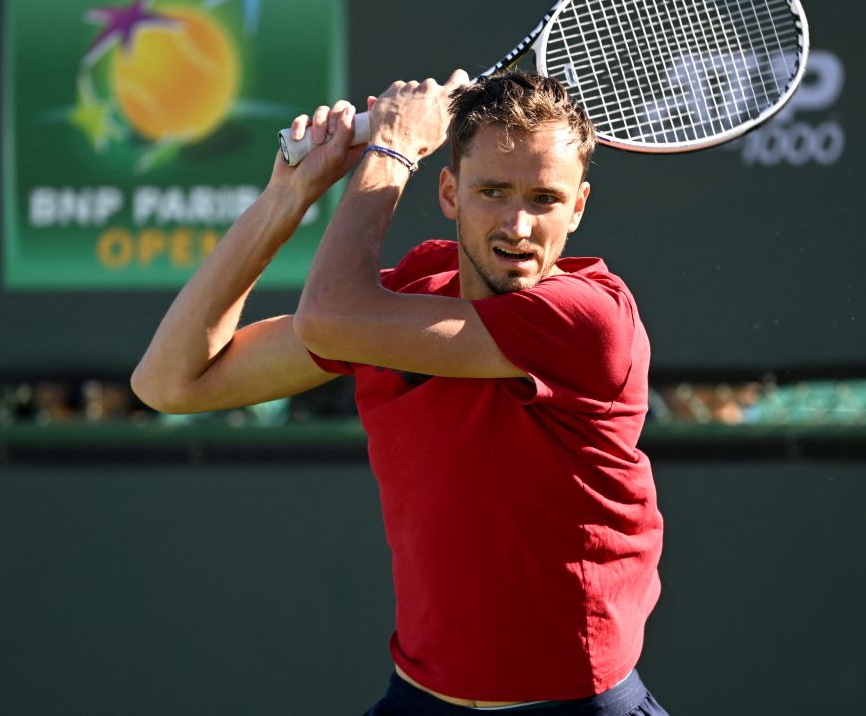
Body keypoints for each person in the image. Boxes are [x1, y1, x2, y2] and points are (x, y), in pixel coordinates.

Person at [132, 69, 667, 715]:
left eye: (544, 199)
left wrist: (391, 150)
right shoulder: (407, 296)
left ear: (578, 207)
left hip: (574, 704)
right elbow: (170, 382)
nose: (518, 224)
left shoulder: (589, 320)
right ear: (450, 193)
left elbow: (330, 315)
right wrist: (288, 194)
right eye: (492, 191)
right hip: (419, 697)